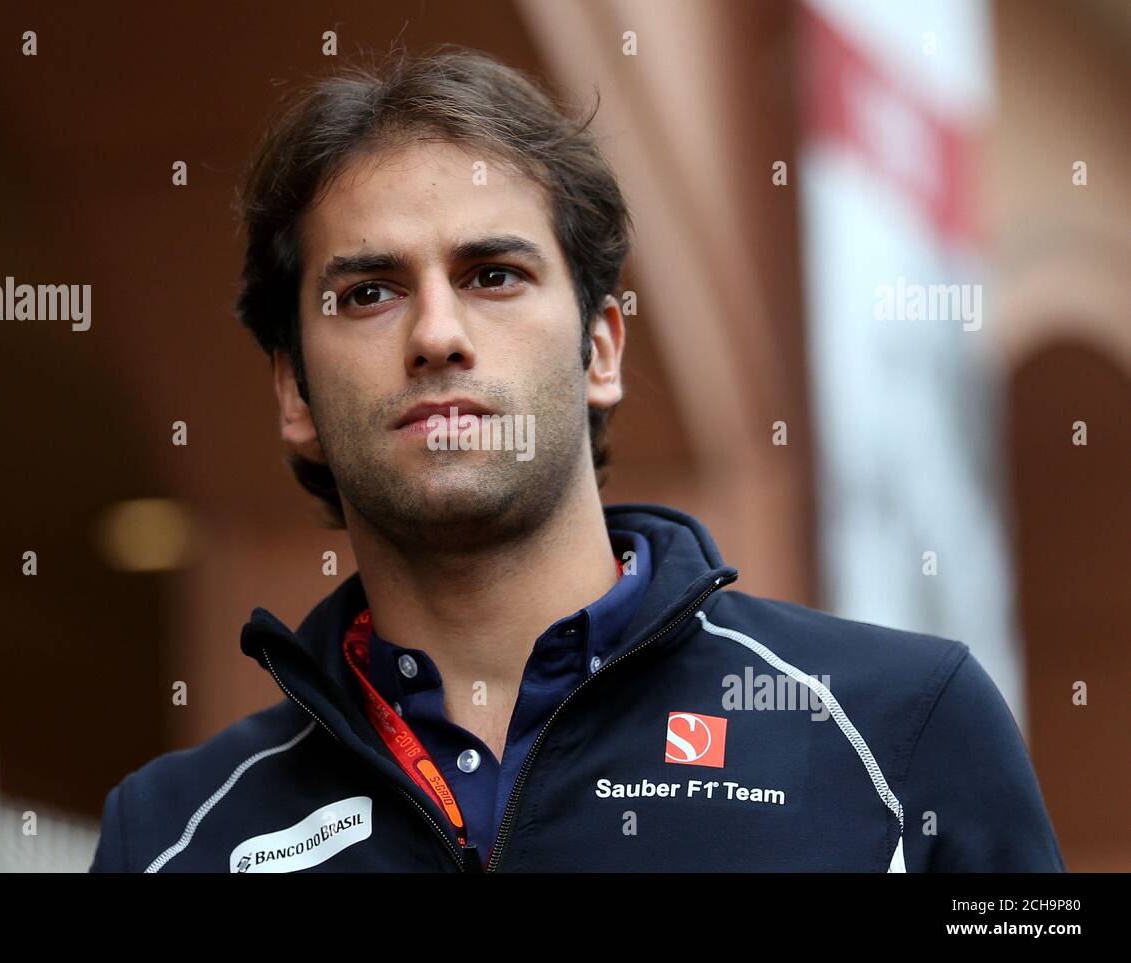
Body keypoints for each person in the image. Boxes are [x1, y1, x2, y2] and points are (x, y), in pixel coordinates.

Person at [89, 46, 1064, 873]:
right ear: (294, 394)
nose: (437, 335)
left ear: (600, 350)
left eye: (493, 275)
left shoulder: (904, 729)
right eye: (369, 292)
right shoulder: (173, 835)